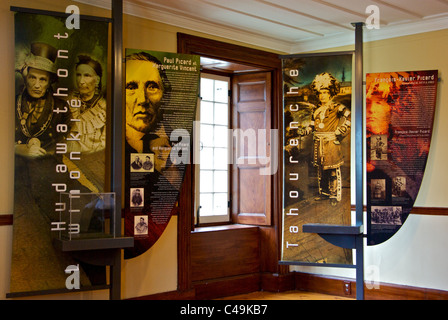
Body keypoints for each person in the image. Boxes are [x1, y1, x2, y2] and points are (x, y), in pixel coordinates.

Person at [15, 42, 71, 158]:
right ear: (26, 78)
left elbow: (62, 144)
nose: (36, 85)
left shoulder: (61, 109)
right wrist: (16, 149)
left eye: (42, 80)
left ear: (49, 82)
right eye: (32, 78)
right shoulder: (11, 103)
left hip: (47, 167)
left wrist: (38, 145)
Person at [306, 72, 351, 205]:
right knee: (321, 170)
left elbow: (349, 117)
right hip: (318, 143)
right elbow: (312, 125)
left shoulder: (337, 107)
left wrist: (340, 131)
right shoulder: (316, 110)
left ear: (330, 93)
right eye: (320, 93)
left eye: (325, 92)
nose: (322, 95)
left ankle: (333, 195)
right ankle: (324, 193)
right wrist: (306, 130)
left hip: (331, 143)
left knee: (332, 170)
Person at [68, 55, 107, 153]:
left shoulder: (104, 107)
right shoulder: (69, 102)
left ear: (97, 80)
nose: (81, 81)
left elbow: (104, 147)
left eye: (87, 76)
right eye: (78, 75)